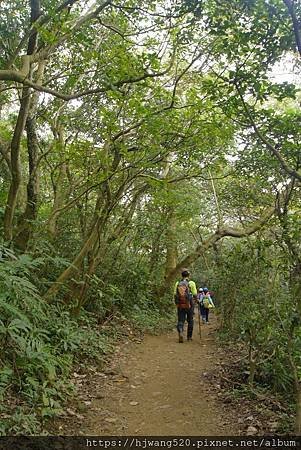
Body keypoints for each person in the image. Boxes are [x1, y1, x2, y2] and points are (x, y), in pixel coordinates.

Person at [174, 269, 197, 343]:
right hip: (189, 304)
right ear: (188, 276)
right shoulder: (191, 283)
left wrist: (177, 303)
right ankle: (189, 337)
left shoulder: (177, 283)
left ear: (182, 275)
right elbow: (195, 294)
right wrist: (196, 301)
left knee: (181, 320)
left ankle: (180, 332)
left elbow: (175, 294)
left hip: (180, 304)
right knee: (190, 320)